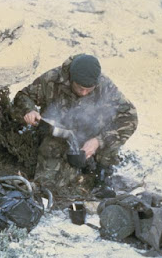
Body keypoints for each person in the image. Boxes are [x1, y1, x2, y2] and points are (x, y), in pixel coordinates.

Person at [13, 54, 138, 197]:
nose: (84, 93)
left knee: (110, 142)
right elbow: (23, 96)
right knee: (49, 185)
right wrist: (29, 110)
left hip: (92, 138)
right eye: (80, 87)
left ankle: (101, 177)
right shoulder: (53, 79)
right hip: (58, 136)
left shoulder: (105, 86)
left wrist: (99, 140)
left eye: (89, 89)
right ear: (71, 78)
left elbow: (130, 117)